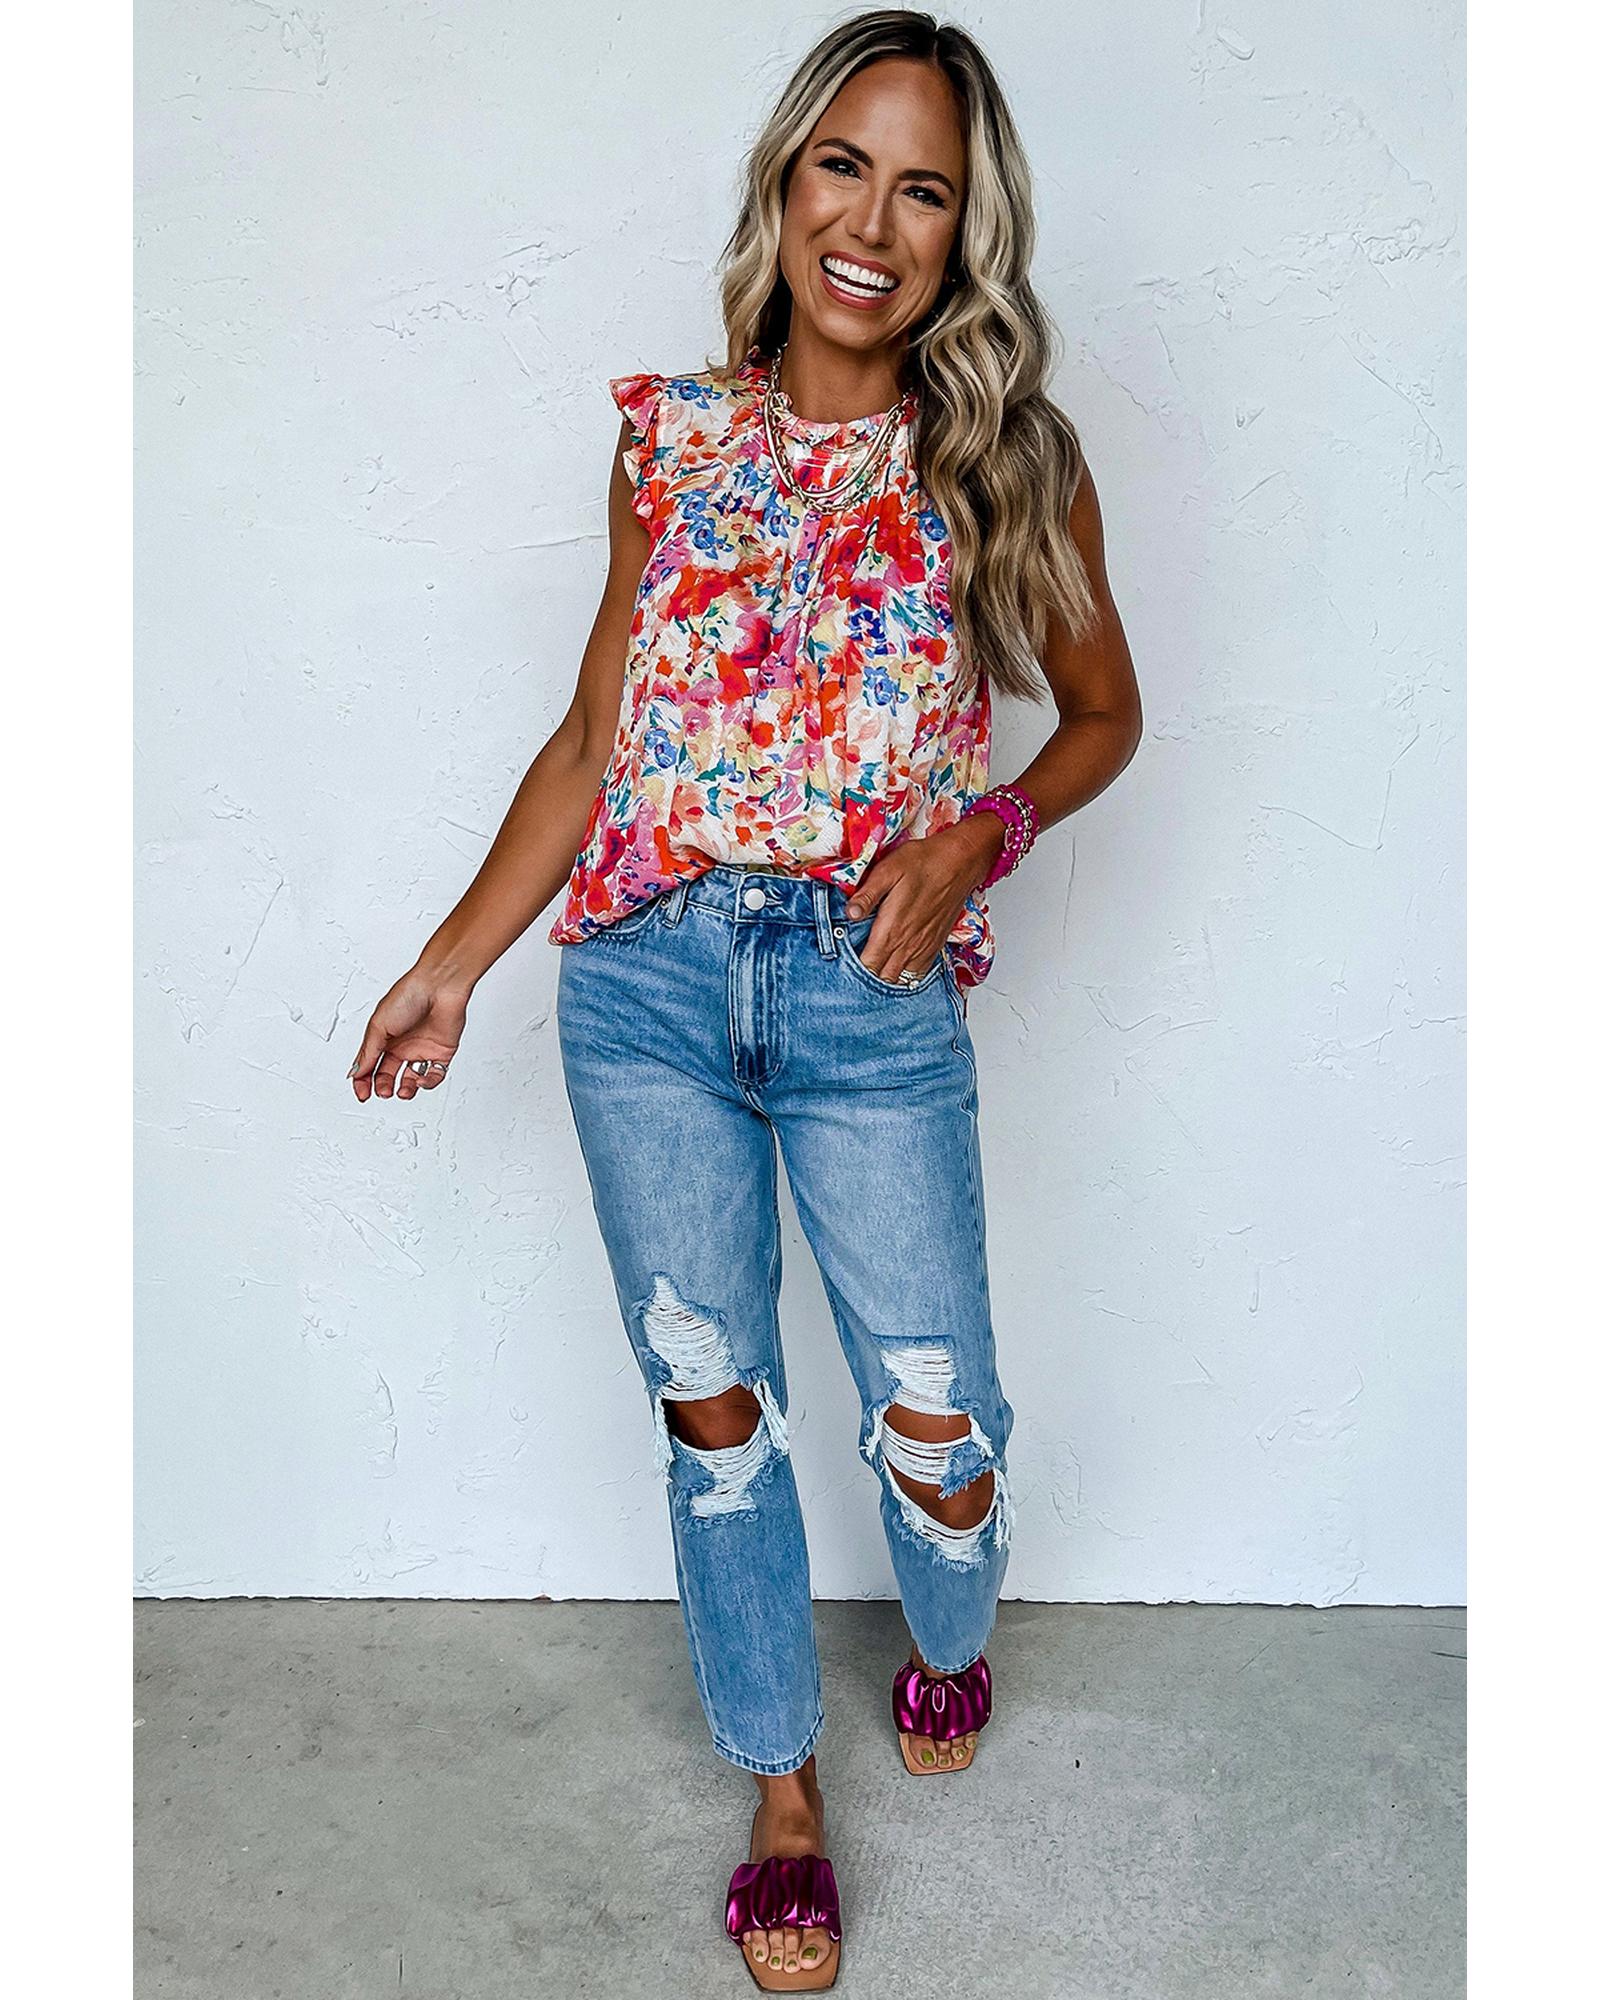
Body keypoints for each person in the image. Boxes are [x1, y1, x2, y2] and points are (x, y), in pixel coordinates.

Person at [347, 9, 1141, 1988]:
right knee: (714, 1412)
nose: (869, 223)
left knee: (932, 1425)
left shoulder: (1005, 461)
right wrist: (450, 964)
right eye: (839, 168)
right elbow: (593, 742)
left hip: (870, 996)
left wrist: (979, 836)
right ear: (783, 185)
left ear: (965, 234)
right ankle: (780, 1783)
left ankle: (951, 1626)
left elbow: (1102, 717)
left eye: (922, 189)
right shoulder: (666, 439)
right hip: (643, 990)